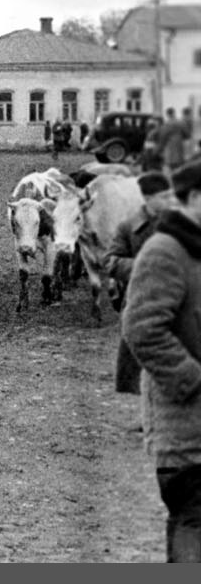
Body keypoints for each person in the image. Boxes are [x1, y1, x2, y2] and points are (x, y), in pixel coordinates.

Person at [121, 157, 201, 562]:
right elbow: (142, 329)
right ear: (192, 199)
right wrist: (192, 379)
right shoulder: (165, 251)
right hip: (188, 432)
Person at [108, 173, 179, 394]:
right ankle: (144, 414)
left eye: (170, 196)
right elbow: (112, 262)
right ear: (148, 198)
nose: (169, 201)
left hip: (175, 297)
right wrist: (144, 265)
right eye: (163, 197)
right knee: (137, 359)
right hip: (139, 298)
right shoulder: (128, 227)